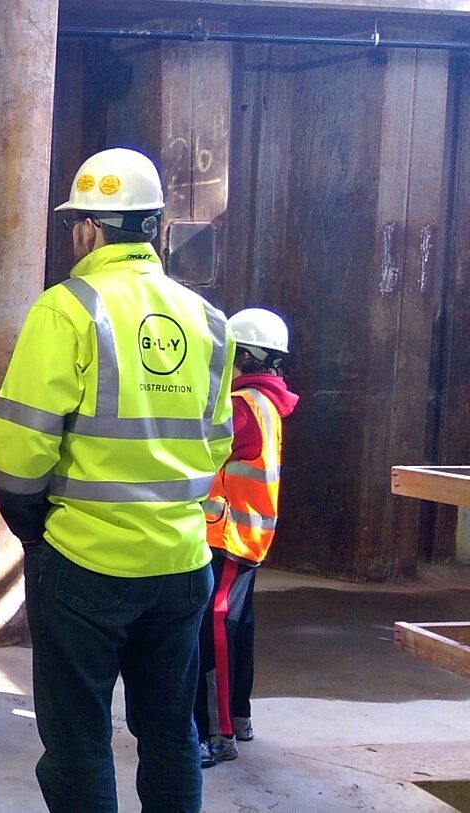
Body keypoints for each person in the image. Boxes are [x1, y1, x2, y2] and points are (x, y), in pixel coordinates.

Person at [0, 147, 235, 813]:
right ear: (150, 226)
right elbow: (216, 444)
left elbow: (16, 454)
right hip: (183, 565)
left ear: (92, 228)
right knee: (170, 730)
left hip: (86, 563)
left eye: (77, 223)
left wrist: (33, 525)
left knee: (78, 739)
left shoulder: (67, 308)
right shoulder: (209, 321)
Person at [196, 307, 297, 768]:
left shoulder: (242, 406)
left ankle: (218, 735)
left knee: (214, 631)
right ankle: (239, 716)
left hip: (228, 535)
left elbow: (198, 445)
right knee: (239, 629)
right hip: (248, 536)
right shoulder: (267, 402)